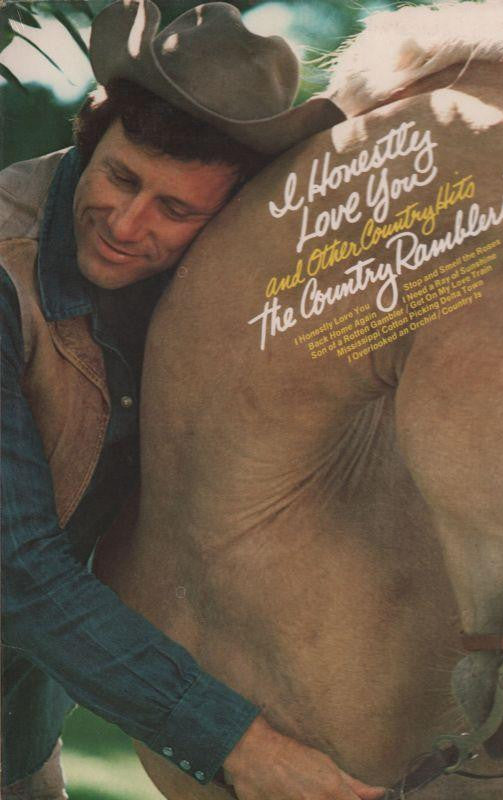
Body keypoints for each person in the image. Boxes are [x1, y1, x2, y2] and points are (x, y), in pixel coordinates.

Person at [0, 2, 385, 799]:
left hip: (19, 715)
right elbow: (18, 568)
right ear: (91, 135)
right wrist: (246, 750)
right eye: (120, 177)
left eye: (175, 210)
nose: (126, 223)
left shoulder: (214, 295)